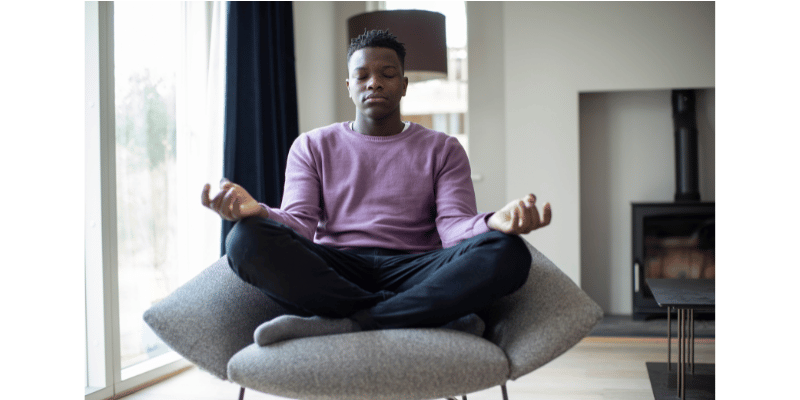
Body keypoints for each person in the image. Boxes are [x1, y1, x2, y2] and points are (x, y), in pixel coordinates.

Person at [201, 30, 552, 345]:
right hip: (337, 271)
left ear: (403, 84)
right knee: (244, 239)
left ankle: (345, 322)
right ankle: (424, 317)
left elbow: (453, 228)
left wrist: (493, 223)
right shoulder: (311, 146)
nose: (374, 83)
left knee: (508, 251)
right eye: (363, 75)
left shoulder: (443, 148)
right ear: (349, 87)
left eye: (387, 74)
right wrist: (258, 212)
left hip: (416, 268)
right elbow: (300, 223)